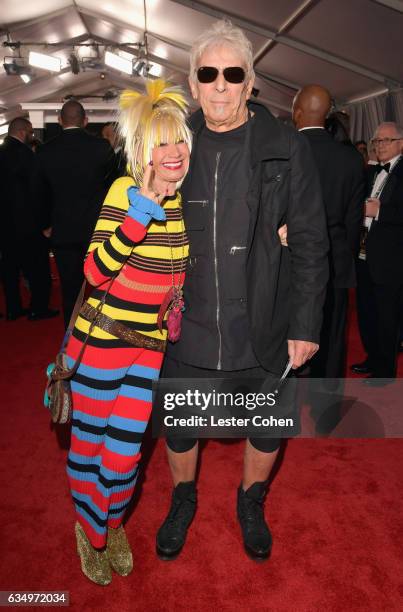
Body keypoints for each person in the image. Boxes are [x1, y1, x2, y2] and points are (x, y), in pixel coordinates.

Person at [155, 20, 329, 563]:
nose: (222, 84)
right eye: (210, 73)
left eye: (234, 73)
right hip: (187, 317)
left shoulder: (285, 147)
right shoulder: (169, 143)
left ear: (251, 82)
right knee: (182, 425)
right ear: (193, 82)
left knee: (267, 424)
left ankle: (251, 501)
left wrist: (305, 324)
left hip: (263, 314)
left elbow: (309, 240)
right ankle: (184, 499)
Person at [64, 79, 191, 585]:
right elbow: (95, 272)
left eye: (178, 139)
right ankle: (91, 529)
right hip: (104, 343)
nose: (174, 151)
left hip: (150, 349)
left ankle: (110, 521)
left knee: (126, 453)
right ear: (141, 150)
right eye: (161, 142)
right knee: (91, 445)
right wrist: (140, 213)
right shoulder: (126, 192)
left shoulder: (178, 201)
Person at [291, 85, 365, 379]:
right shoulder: (350, 159)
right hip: (335, 259)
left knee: (288, 328)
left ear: (297, 113)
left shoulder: (285, 151)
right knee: (333, 336)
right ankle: (327, 409)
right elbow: (353, 221)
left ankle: (284, 408)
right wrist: (342, 258)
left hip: (292, 257)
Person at [32, 100, 120, 327]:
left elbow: (39, 193)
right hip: (99, 230)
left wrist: (45, 224)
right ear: (86, 121)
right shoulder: (102, 148)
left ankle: (72, 336)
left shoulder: (44, 151)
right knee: (106, 287)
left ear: (60, 121)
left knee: (70, 290)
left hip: (63, 230)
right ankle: (106, 333)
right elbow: (116, 188)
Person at [351, 122, 403, 383]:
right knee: (367, 312)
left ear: (401, 143)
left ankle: (385, 371)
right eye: (377, 141)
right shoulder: (371, 171)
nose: (380, 145)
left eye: (386, 140)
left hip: (391, 260)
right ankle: (373, 358)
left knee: (387, 317)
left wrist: (379, 212)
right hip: (363, 253)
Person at [0, 117, 57, 321]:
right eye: (31, 132)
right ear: (23, 132)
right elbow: (37, 193)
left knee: (9, 271)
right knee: (38, 269)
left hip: (5, 225)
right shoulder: (27, 155)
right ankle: (38, 308)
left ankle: (13, 309)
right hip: (29, 225)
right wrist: (45, 224)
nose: (32, 136)